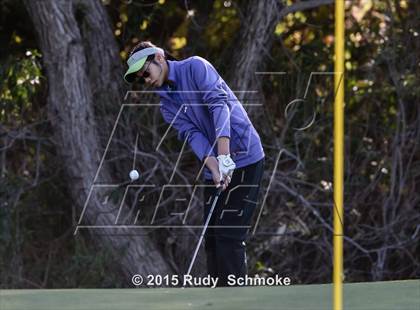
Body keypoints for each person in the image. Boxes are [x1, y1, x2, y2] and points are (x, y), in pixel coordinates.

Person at [124, 41, 265, 286]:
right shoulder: (166, 105)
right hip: (216, 165)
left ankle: (236, 302)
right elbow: (193, 135)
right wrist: (213, 166)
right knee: (212, 240)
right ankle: (218, 299)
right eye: (139, 78)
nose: (145, 80)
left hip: (246, 156)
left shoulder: (196, 67)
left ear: (159, 57)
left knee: (229, 237)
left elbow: (219, 106)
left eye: (145, 72)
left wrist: (224, 155)